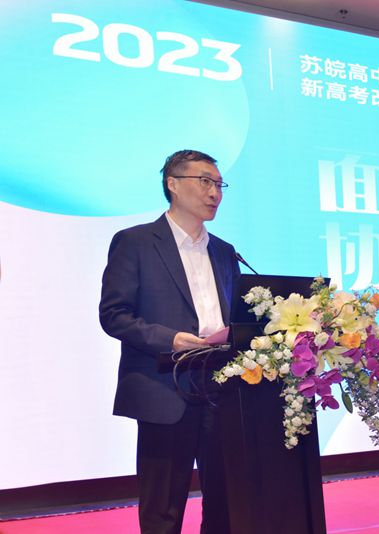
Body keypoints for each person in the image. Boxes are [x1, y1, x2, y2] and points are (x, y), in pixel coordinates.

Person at [99, 150, 240, 533]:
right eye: (205, 181)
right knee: (162, 509)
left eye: (219, 184)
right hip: (164, 385)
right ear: (173, 184)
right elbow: (114, 314)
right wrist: (171, 339)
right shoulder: (136, 242)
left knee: (226, 502)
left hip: (221, 388)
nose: (214, 193)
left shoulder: (224, 251)